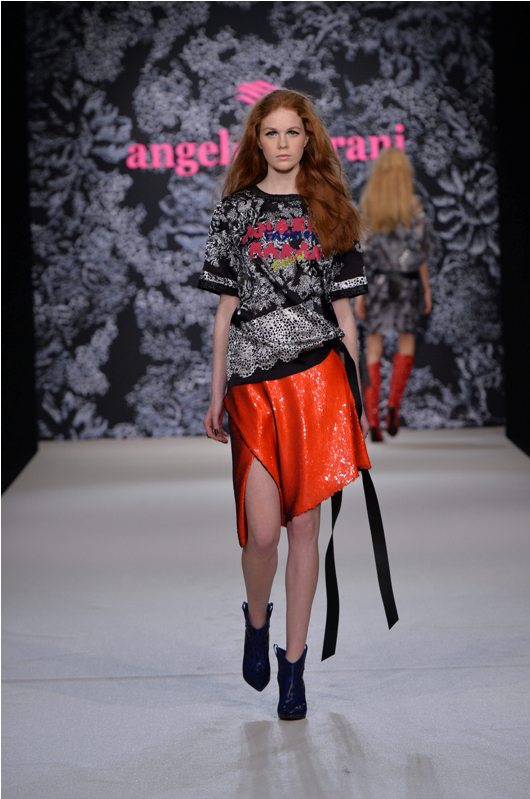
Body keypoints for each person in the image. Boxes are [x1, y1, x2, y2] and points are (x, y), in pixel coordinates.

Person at [197, 89, 397, 721]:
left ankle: (294, 666)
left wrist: (357, 400)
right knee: (262, 533)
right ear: (256, 141)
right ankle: (257, 623)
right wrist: (215, 393)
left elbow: (346, 316)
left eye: (292, 132)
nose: (282, 143)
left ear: (309, 139)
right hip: (253, 385)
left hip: (318, 382)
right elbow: (224, 312)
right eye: (271, 133)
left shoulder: (332, 208)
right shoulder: (235, 211)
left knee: (305, 527)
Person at [355, 147, 432, 442]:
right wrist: (426, 289)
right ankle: (393, 406)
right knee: (406, 342)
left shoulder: (369, 208)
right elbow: (421, 253)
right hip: (408, 284)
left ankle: (373, 419)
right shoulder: (414, 208)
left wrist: (359, 295)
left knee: (373, 346)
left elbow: (363, 255)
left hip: (378, 284)